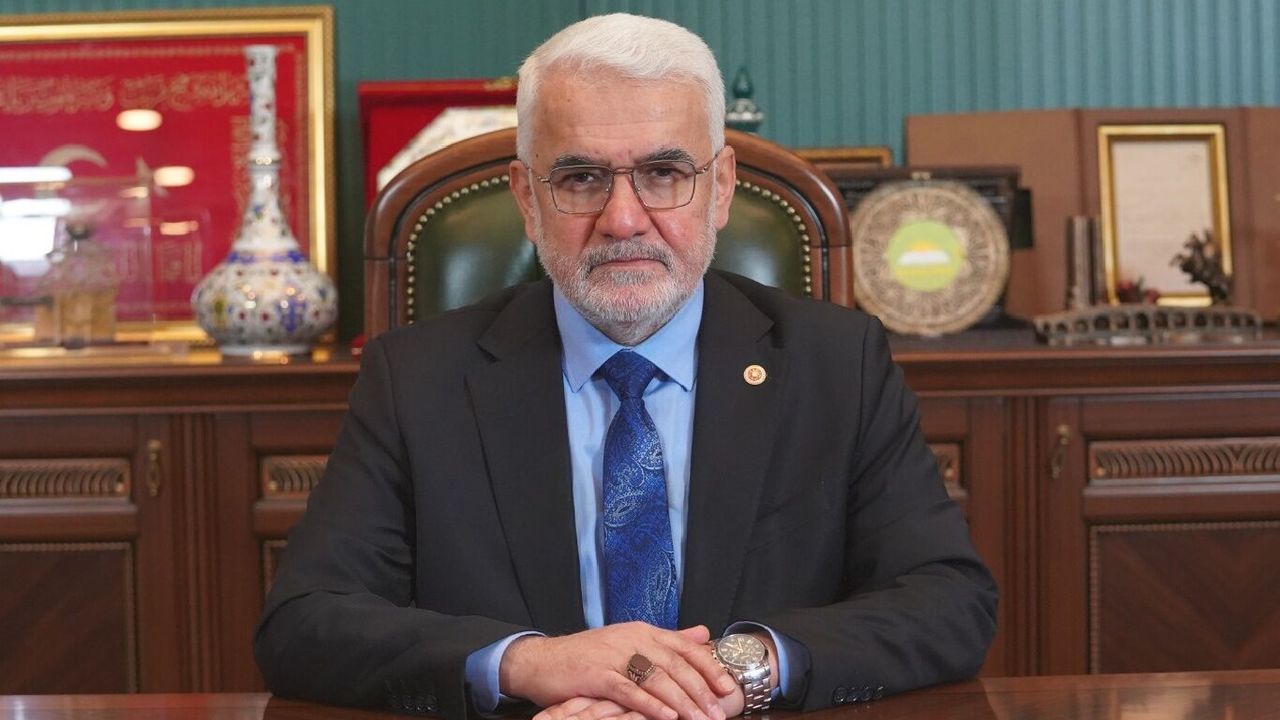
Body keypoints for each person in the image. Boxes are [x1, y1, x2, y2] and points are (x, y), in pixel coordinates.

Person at [254, 13, 997, 720]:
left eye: (664, 172)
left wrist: (734, 672)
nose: (624, 219)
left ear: (721, 188)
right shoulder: (418, 379)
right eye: (580, 178)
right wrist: (528, 663)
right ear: (527, 198)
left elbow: (948, 600)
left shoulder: (837, 363)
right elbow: (304, 623)